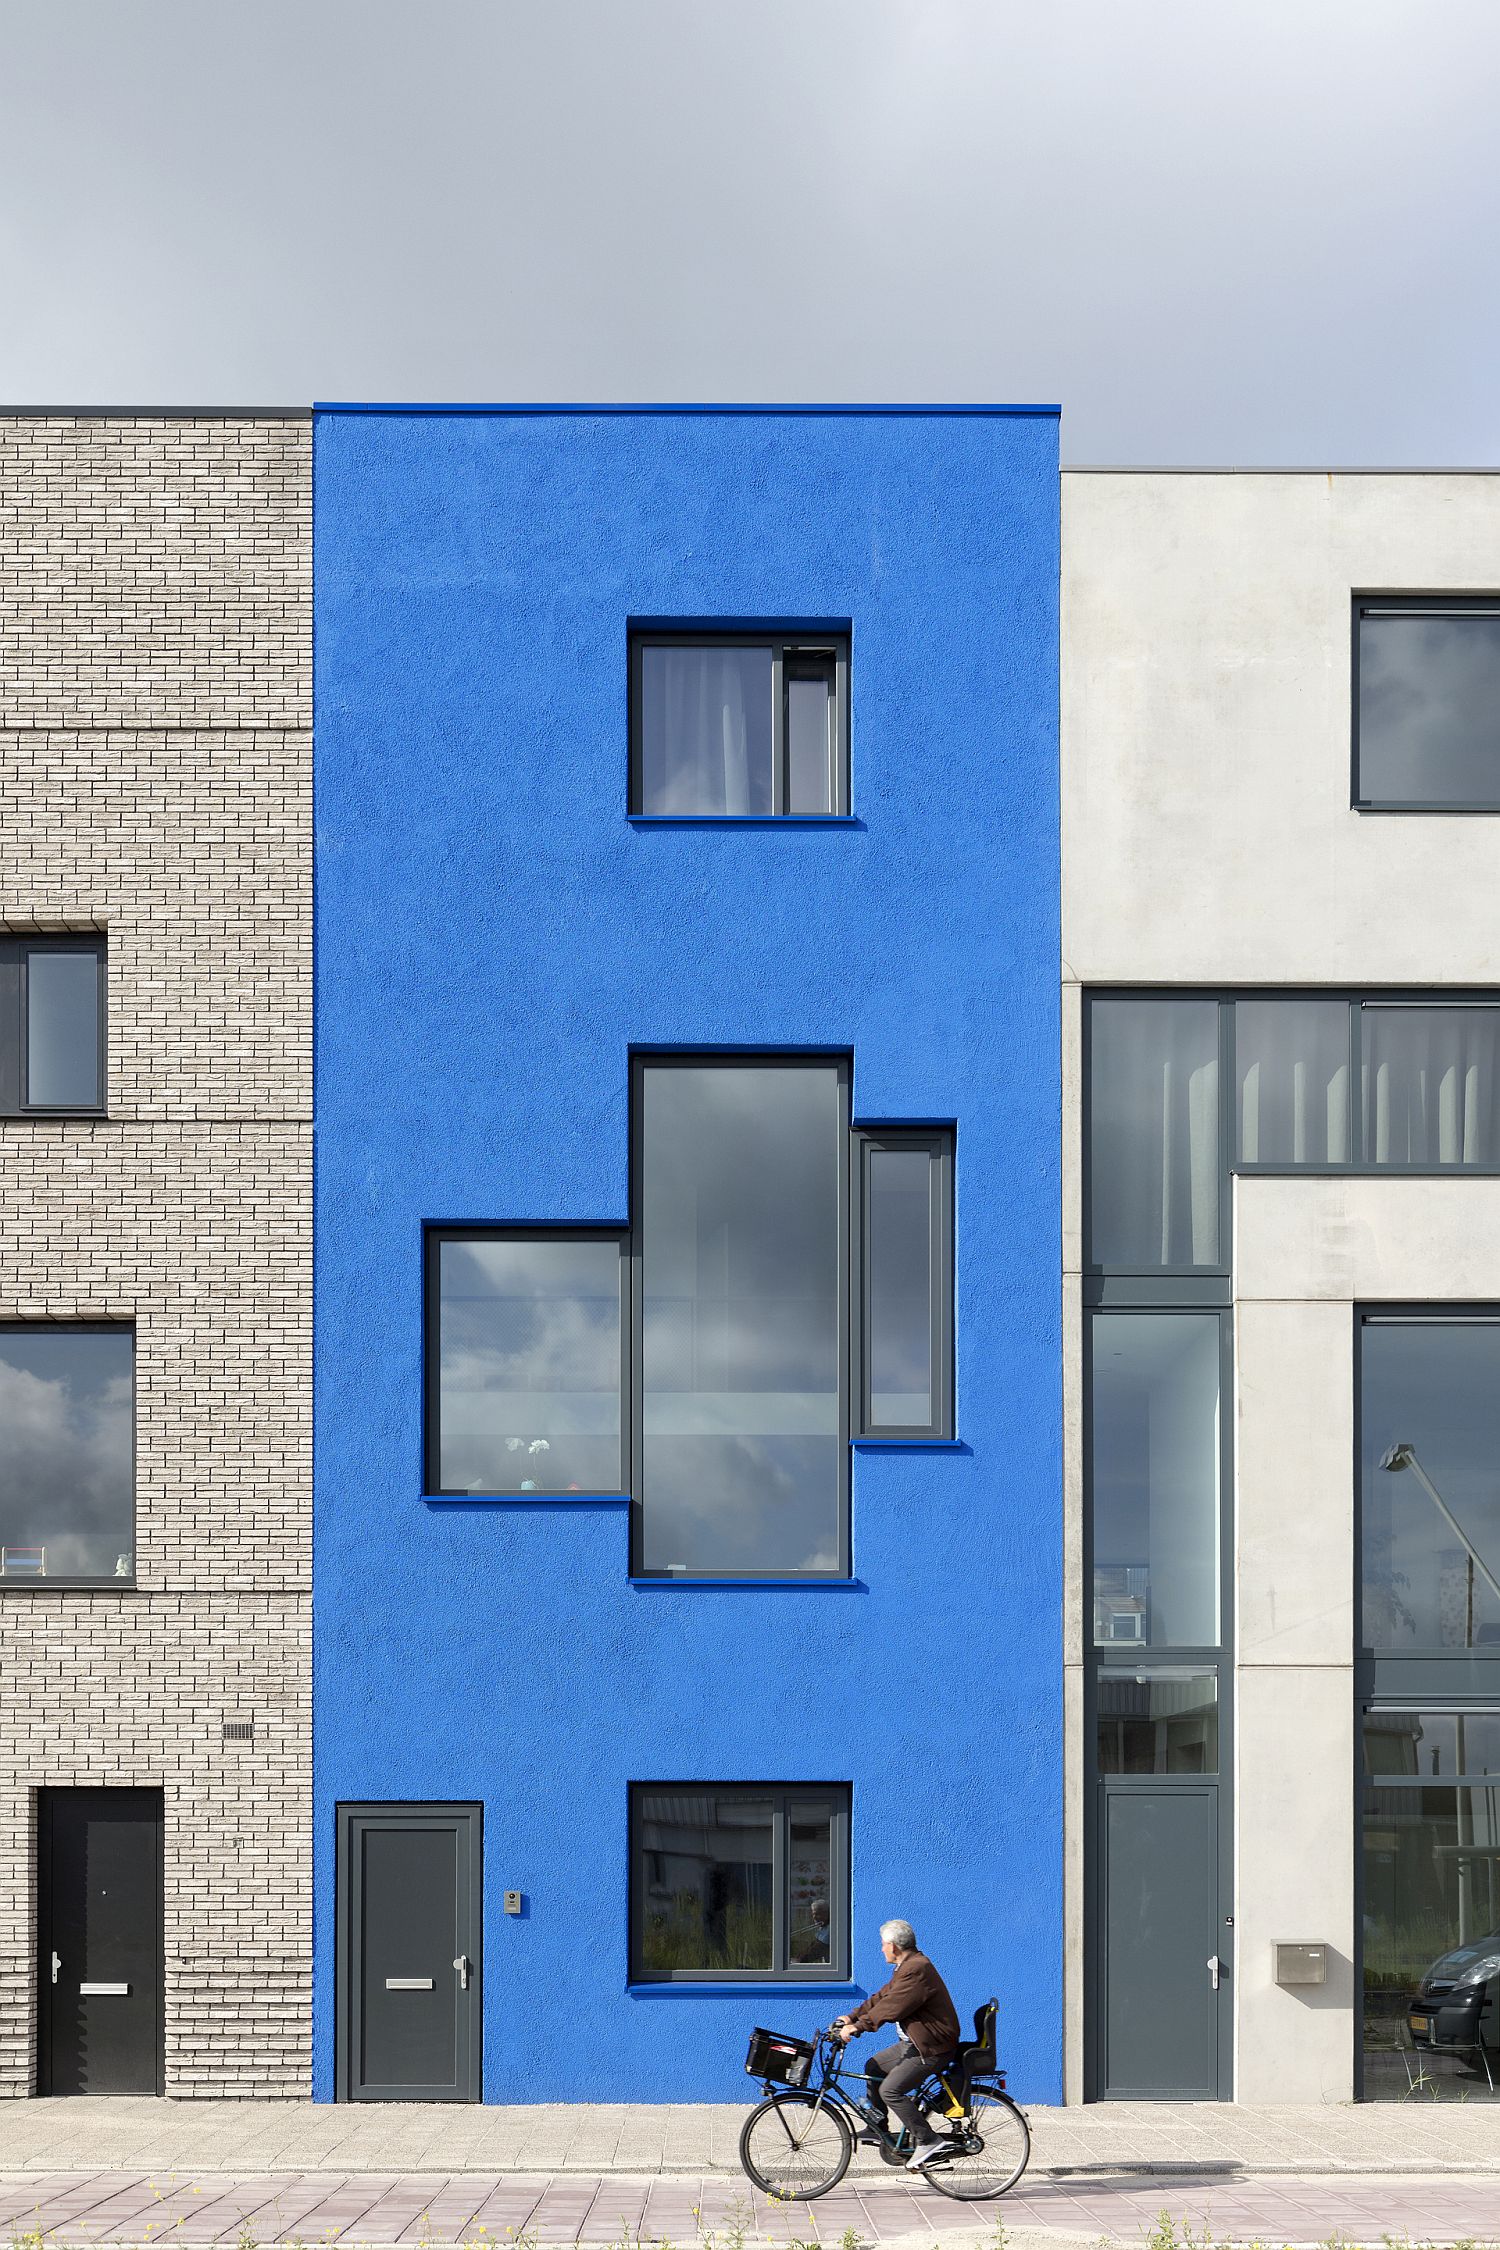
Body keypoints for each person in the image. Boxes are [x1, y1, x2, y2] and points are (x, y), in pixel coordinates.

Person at [833, 1918, 961, 2171]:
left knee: (890, 2090)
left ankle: (928, 2140)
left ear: (893, 1946)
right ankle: (876, 2127)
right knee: (874, 2067)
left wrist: (858, 2027)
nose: (881, 1949)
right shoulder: (907, 1966)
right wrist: (851, 2016)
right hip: (913, 2044)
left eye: (883, 1944)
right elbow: (882, 1996)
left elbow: (893, 2007)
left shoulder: (917, 1969)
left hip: (931, 2047)